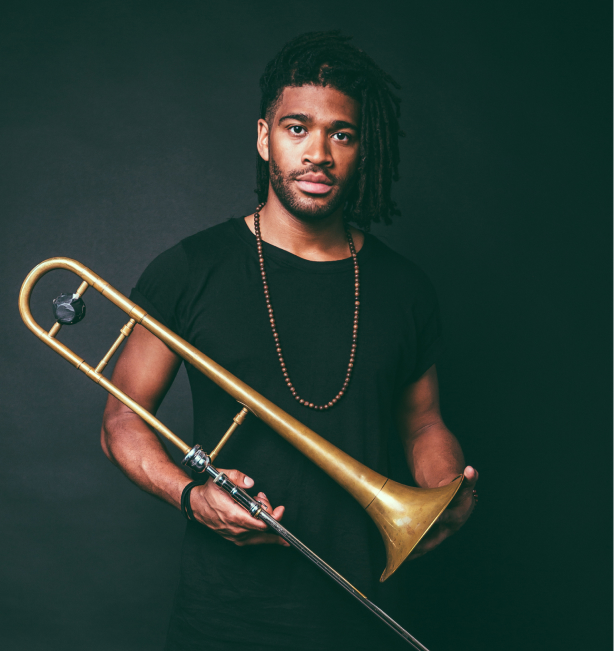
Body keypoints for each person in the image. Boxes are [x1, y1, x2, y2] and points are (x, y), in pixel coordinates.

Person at [101, 31, 478, 651]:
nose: (319, 154)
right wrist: (192, 496)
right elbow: (121, 419)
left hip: (365, 612)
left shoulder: (404, 287)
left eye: (342, 134)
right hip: (222, 620)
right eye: (297, 128)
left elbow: (423, 425)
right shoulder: (191, 269)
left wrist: (438, 498)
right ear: (263, 137)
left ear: (361, 147)